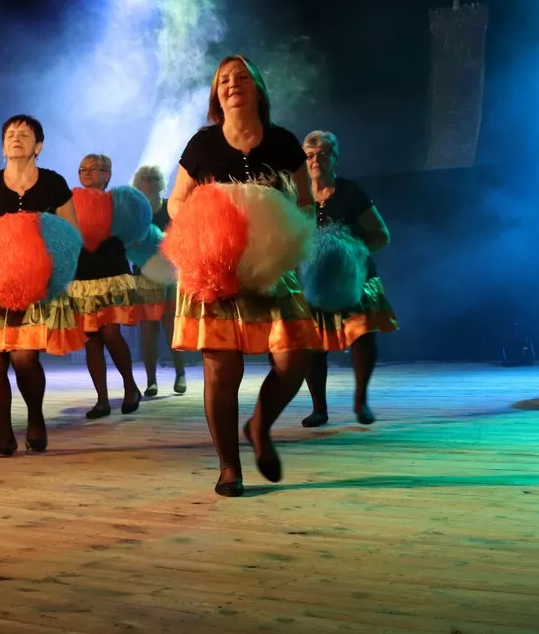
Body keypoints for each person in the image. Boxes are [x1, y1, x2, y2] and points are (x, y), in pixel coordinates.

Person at [168, 55, 321, 496]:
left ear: (257, 89)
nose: (232, 84)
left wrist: (281, 226)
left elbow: (305, 204)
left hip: (270, 268)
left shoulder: (283, 142)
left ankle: (259, 425)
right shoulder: (202, 145)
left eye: (241, 78)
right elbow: (175, 203)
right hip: (215, 268)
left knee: (293, 360)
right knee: (221, 370)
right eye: (223, 81)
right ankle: (229, 467)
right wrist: (203, 223)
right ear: (216, 96)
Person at [0, 115, 85, 456]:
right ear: (3, 146)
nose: (16, 138)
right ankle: (5, 435)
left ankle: (36, 419)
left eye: (24, 134)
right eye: (10, 134)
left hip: (35, 286)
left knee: (25, 358)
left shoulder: (53, 183)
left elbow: (72, 235)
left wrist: (38, 251)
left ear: (38, 146)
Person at [298, 130, 395, 428]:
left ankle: (361, 401)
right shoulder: (299, 198)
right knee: (313, 344)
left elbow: (381, 235)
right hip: (314, 284)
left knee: (362, 335)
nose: (316, 160)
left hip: (356, 281)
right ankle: (319, 409)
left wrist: (350, 254)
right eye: (310, 155)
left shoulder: (351, 192)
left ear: (335, 158)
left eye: (323, 154)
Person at [71, 153, 146, 418]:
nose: (87, 172)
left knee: (111, 333)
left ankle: (130, 387)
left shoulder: (120, 203)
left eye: (94, 168)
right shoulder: (71, 203)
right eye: (82, 168)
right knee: (91, 340)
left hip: (112, 272)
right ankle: (102, 400)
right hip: (83, 275)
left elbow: (135, 233)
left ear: (108, 174)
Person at [132, 164, 186, 395]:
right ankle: (151, 381)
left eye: (155, 179)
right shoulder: (135, 211)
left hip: (170, 273)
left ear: (161, 183)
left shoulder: (169, 207)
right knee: (148, 331)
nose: (151, 183)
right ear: (139, 184)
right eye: (147, 179)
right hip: (144, 276)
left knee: (173, 327)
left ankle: (181, 373)